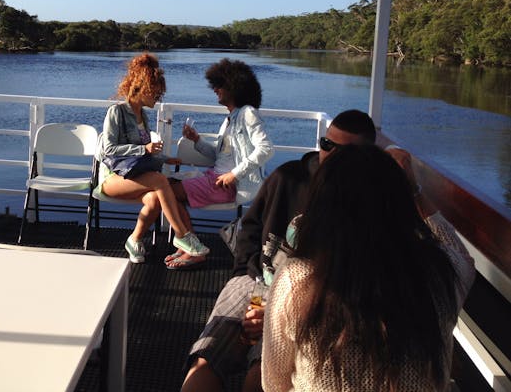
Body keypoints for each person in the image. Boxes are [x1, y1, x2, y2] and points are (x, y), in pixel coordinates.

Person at [181, 109, 378, 392]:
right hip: (256, 279)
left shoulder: (367, 205)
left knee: (260, 378)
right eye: (326, 145)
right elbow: (250, 228)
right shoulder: (288, 178)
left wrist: (280, 313)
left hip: (304, 305)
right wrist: (244, 273)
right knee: (205, 359)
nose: (330, 156)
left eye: (344, 152)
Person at [261, 144, 475, 391]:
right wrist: (416, 191)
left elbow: (274, 384)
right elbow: (463, 259)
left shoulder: (297, 280)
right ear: (401, 205)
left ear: (322, 207)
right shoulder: (438, 275)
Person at [96, 53, 210, 263]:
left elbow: (143, 154)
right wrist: (144, 150)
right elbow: (109, 149)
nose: (159, 98)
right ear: (143, 88)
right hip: (112, 178)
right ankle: (182, 236)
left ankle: (134, 239)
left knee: (156, 197)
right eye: (156, 93)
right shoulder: (117, 111)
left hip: (133, 175)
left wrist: (165, 159)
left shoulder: (143, 116)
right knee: (160, 181)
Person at [165, 58, 274, 270]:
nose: (215, 90)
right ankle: (190, 243)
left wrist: (234, 174)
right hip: (214, 176)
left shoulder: (248, 114)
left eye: (219, 85)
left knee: (168, 191)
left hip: (227, 184)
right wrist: (196, 140)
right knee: (164, 187)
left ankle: (192, 248)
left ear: (234, 87)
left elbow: (266, 149)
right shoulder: (230, 119)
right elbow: (219, 156)